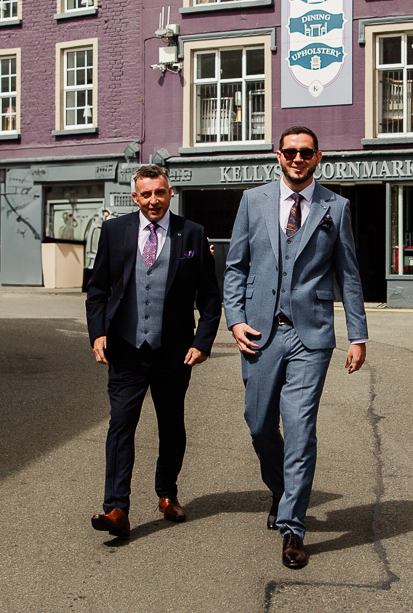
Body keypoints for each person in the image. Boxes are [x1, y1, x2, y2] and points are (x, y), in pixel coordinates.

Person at [223, 127, 368, 569]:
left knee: (300, 429)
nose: (298, 158)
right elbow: (235, 267)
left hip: (311, 335)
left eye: (306, 152)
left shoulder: (335, 207)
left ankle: (293, 527)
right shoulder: (253, 201)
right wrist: (236, 319)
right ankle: (282, 488)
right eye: (290, 152)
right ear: (278, 155)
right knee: (259, 424)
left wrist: (357, 335)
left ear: (318, 156)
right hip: (260, 334)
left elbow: (349, 274)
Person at [83, 164, 220, 538]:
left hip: (174, 352)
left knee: (171, 427)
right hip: (126, 349)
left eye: (160, 193)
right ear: (135, 197)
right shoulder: (114, 231)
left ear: (170, 192)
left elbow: (210, 298)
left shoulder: (192, 234)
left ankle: (167, 494)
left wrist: (202, 342)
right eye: (146, 194)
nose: (154, 200)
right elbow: (97, 291)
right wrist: (97, 334)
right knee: (120, 426)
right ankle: (116, 508)